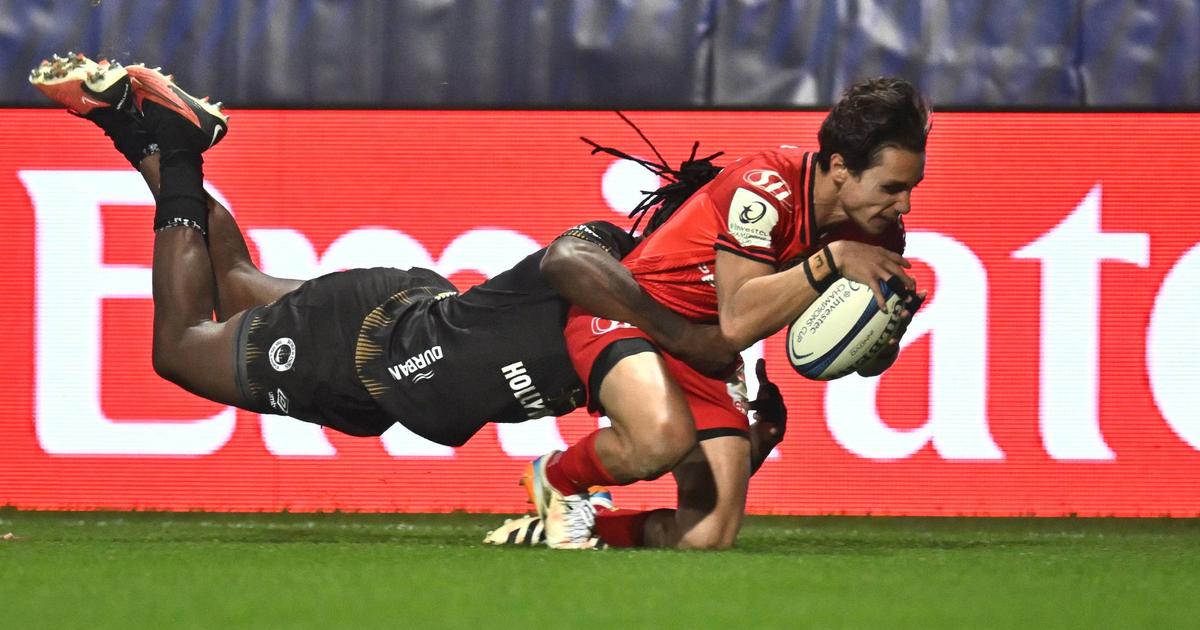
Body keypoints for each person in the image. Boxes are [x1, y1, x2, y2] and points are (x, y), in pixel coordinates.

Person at [30, 53, 788, 549]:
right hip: (367, 350)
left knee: (232, 281)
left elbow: (692, 470)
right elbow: (645, 397)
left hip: (396, 326)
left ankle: (136, 128)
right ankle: (174, 143)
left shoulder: (642, 312)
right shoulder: (606, 268)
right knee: (182, 345)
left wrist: (738, 432)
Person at [521, 77, 930, 549]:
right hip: (637, 315)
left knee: (708, 535)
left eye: (912, 187)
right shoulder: (764, 186)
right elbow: (738, 319)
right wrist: (830, 260)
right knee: (659, 442)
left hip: (706, 352)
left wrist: (886, 335)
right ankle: (557, 479)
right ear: (840, 167)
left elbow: (866, 363)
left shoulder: (880, 236)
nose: (905, 204)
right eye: (893, 187)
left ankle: (568, 530)